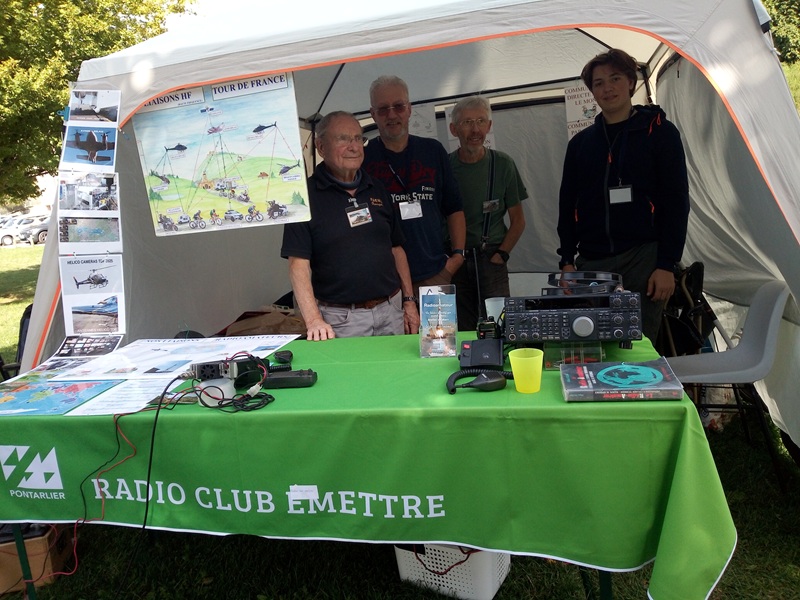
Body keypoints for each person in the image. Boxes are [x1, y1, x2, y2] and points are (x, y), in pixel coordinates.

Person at [557, 48, 690, 342]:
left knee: (638, 345)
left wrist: (666, 264)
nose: (608, 88)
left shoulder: (660, 133)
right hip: (592, 261)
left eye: (615, 78)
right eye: (599, 83)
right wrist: (566, 260)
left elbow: (676, 202)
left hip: (643, 259)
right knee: (592, 342)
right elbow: (567, 205)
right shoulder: (580, 144)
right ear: (592, 91)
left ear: (631, 82)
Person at [281, 111, 420, 341]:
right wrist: (313, 320)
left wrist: (409, 301)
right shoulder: (303, 198)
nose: (354, 147)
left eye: (358, 138)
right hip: (342, 320)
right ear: (321, 147)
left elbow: (396, 249)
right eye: (343, 139)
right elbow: (298, 264)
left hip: (391, 310)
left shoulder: (377, 188)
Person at [363, 75, 467, 295]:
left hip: (435, 274)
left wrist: (457, 258)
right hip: (386, 285)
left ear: (409, 109)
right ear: (373, 114)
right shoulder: (363, 158)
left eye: (399, 106)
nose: (392, 115)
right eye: (383, 109)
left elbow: (454, 208)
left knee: (441, 322)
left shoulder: (433, 151)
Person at [448, 96, 528, 331]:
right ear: (454, 129)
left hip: (491, 257)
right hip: (456, 260)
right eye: (467, 122)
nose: (475, 130)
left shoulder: (502, 164)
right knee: (461, 329)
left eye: (481, 121)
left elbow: (518, 220)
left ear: (489, 126)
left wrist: (501, 255)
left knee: (500, 327)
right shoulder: (445, 167)